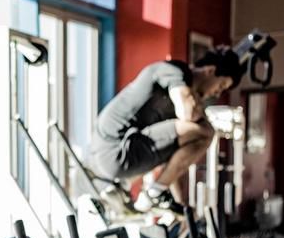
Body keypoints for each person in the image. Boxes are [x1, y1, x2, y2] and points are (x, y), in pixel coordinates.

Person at [89, 49, 242, 213]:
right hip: (116, 149)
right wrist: (202, 113)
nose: (217, 93)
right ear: (210, 70)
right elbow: (188, 113)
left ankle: (138, 190)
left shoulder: (173, 103)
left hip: (114, 156)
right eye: (221, 86)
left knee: (196, 133)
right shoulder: (174, 71)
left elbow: (170, 155)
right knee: (206, 132)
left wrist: (180, 203)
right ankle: (150, 194)